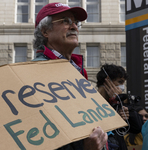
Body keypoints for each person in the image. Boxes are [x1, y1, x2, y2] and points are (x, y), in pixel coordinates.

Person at [32, 2, 108, 150]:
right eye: (65, 21)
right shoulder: (36, 72)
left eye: (75, 22)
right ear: (45, 31)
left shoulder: (76, 69)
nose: (74, 26)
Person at [96, 64, 143, 150]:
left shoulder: (118, 104)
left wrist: (122, 102)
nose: (121, 88)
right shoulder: (92, 102)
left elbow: (138, 127)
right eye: (120, 82)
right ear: (107, 81)